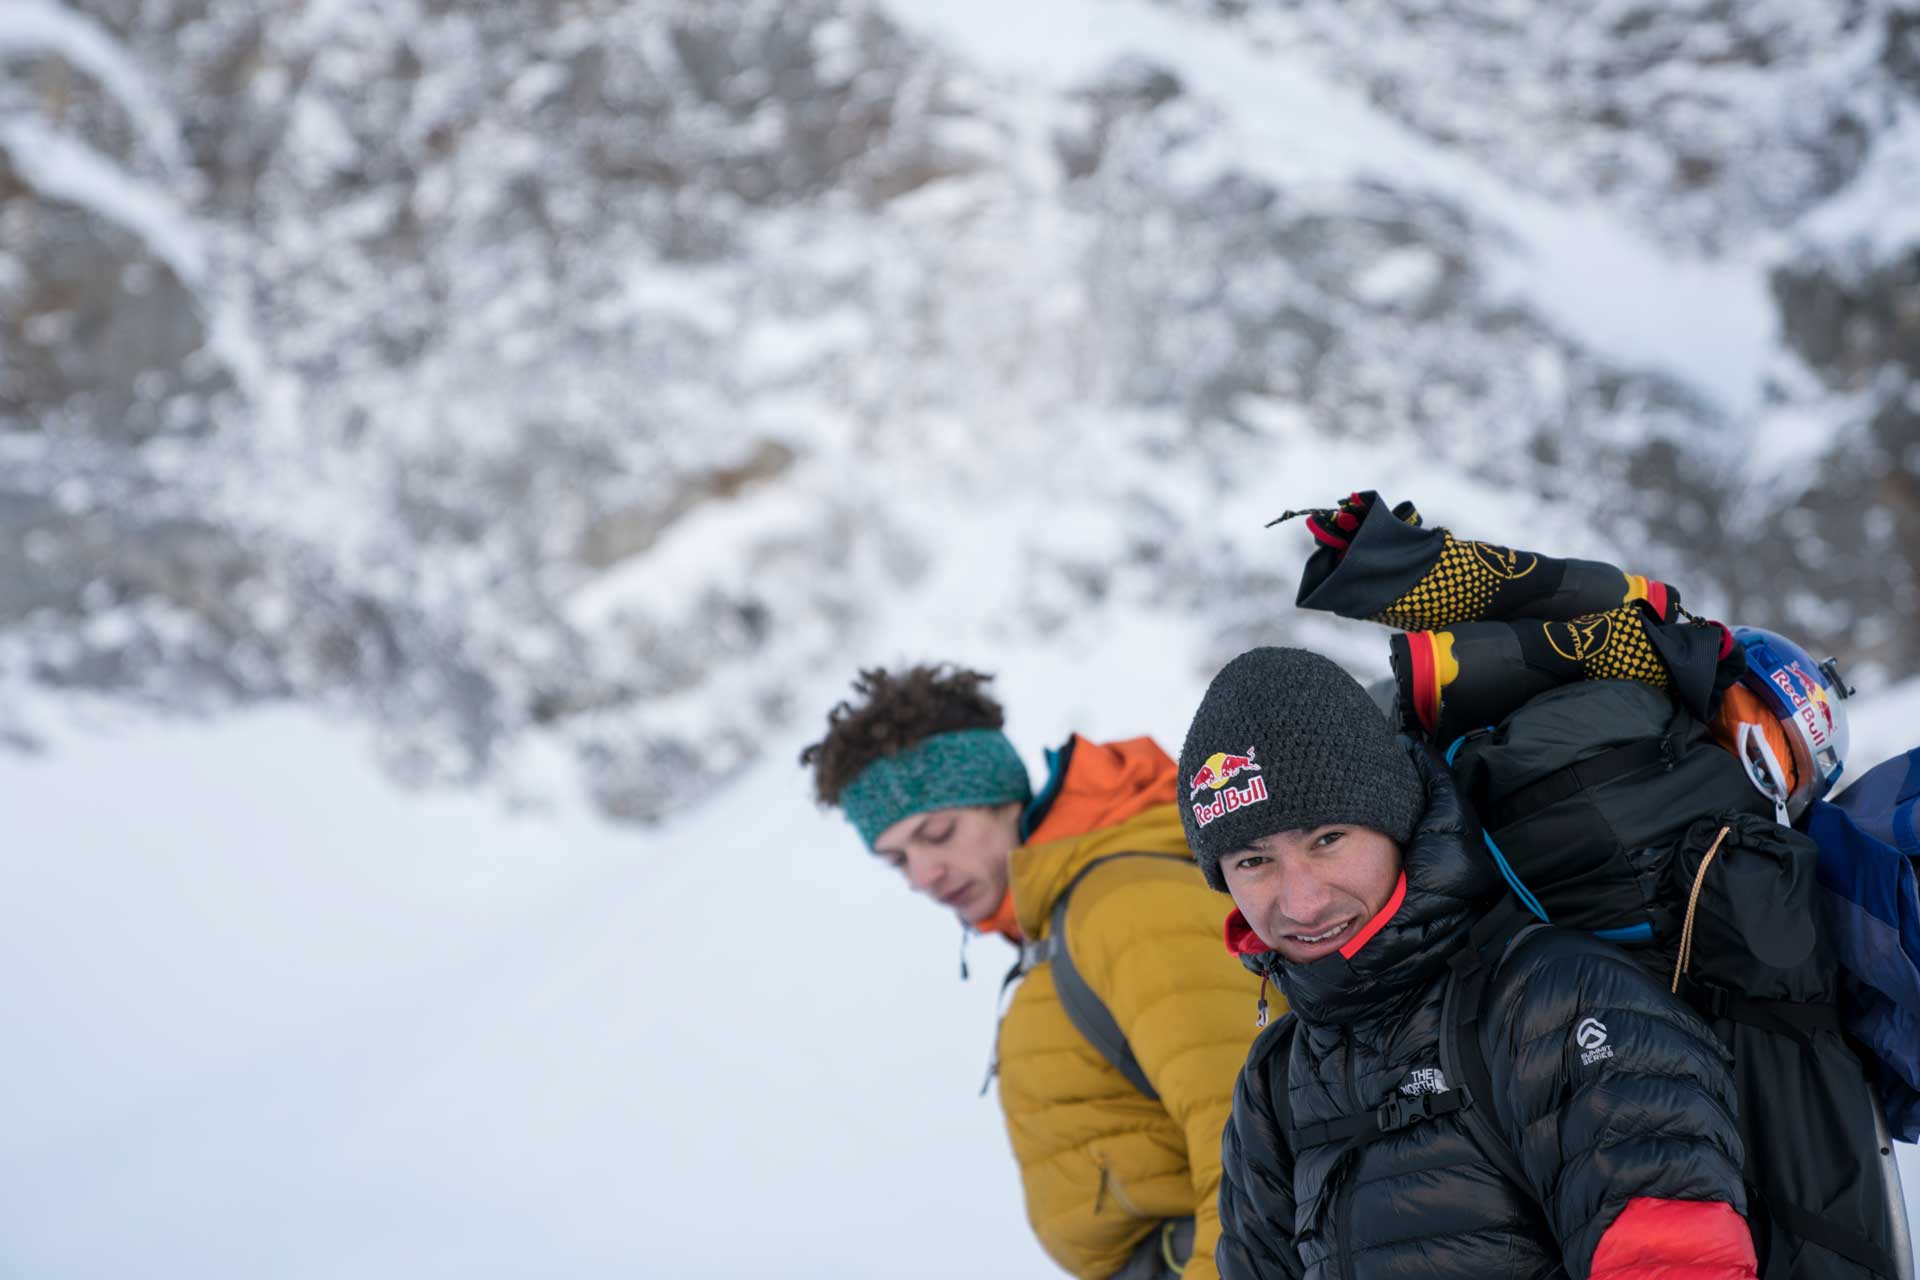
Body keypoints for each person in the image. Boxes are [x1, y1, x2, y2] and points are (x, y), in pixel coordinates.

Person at [1181, 646, 1762, 1280]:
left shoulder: (1554, 1002)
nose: (1303, 901)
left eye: (1327, 840)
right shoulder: (1274, 1084)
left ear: (1397, 823)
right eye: (1253, 862)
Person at [802, 664, 1269, 1280]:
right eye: (897, 861)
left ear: (1000, 794)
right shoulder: (1058, 922)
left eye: (937, 833)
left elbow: (1249, 1142)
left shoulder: (1122, 903)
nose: (922, 876)